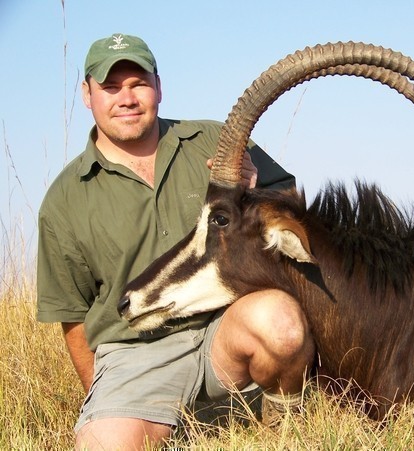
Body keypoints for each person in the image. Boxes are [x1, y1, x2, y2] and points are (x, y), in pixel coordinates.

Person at [36, 33, 315, 450]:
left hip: (228, 330)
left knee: (282, 322)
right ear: (86, 94)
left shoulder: (216, 142)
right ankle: (149, 416)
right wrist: (111, 399)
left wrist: (253, 190)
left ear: (159, 87)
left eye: (139, 84)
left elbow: (293, 211)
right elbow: (73, 318)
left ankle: (285, 428)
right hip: (137, 354)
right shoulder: (63, 200)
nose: (126, 98)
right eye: (111, 87)